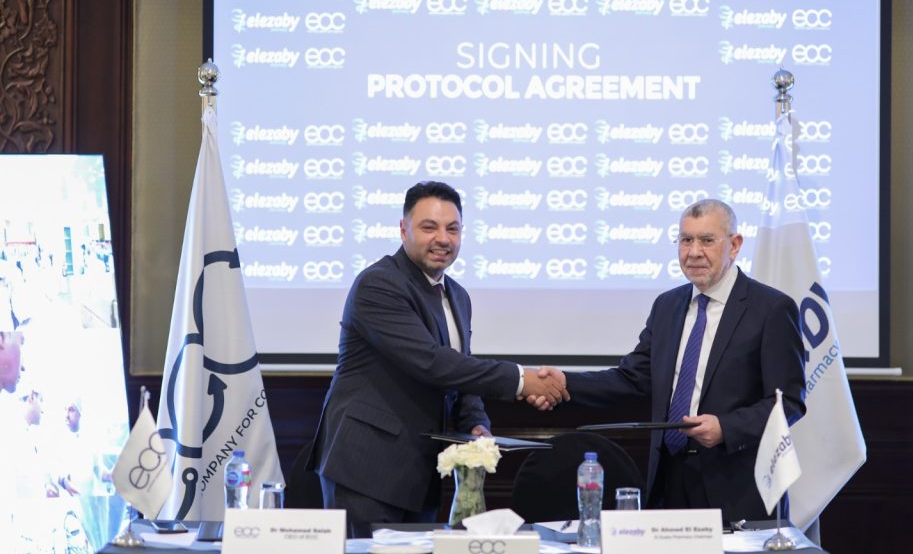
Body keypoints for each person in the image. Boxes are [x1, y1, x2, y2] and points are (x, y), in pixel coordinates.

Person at [309, 181, 569, 536]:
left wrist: (476, 423)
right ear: (404, 230)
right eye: (429, 227)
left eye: (453, 229)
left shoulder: (457, 295)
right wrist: (523, 380)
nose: (443, 239)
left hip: (419, 473)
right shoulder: (379, 284)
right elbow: (432, 363)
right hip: (366, 468)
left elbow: (461, 372)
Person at [532, 199, 806, 523]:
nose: (694, 252)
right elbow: (632, 378)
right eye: (686, 240)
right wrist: (567, 383)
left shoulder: (771, 309)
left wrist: (726, 428)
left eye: (707, 240)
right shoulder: (667, 306)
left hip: (736, 488)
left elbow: (788, 402)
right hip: (668, 479)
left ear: (734, 245)